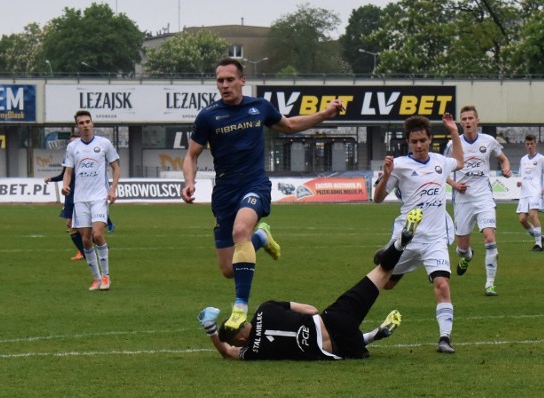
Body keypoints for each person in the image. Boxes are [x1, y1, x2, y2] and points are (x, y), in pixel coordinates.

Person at [181, 58, 345, 332]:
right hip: (224, 191)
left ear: (242, 81)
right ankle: (262, 237)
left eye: (230, 79)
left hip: (254, 184)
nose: (224, 85)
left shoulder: (259, 107)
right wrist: (189, 181)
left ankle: (240, 307)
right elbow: (191, 154)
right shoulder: (208, 116)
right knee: (229, 269)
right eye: (220, 81)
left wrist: (324, 114)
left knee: (240, 231)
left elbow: (290, 125)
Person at [197, 209, 423, 361]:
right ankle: (400, 244)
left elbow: (226, 351)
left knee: (352, 344)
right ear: (242, 321)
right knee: (382, 272)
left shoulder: (254, 351)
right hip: (333, 319)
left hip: (335, 349)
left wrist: (210, 329)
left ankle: (374, 335)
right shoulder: (266, 308)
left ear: (242, 340)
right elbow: (311, 310)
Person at [373, 113, 464, 354]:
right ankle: (386, 255)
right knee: (386, 284)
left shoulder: (440, 161)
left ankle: (445, 338)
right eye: (414, 142)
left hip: (435, 239)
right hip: (407, 238)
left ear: (430, 139)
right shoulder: (400, 165)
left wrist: (454, 131)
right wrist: (385, 174)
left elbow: (460, 162)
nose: (419, 145)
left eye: (423, 140)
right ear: (408, 143)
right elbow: (378, 198)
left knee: (442, 284)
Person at [444, 105, 510, 297]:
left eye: (470, 118)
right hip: (463, 199)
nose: (467, 122)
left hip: (484, 197)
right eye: (463, 119)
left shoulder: (488, 141)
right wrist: (454, 185)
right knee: (461, 249)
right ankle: (467, 256)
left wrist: (505, 168)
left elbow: (503, 159)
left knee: (490, 237)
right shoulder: (453, 145)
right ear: (460, 123)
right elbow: (442, 172)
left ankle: (490, 284)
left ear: (477, 121)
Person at [61, 110, 121, 290]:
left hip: (99, 197)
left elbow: (116, 168)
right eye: (81, 123)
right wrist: (65, 185)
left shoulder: (104, 144)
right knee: (86, 240)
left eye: (88, 122)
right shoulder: (73, 147)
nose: (85, 125)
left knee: (97, 235)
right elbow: (68, 171)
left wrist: (112, 189)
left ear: (92, 124)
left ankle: (106, 277)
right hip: (80, 199)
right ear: (78, 127)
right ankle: (96, 278)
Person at [45, 134, 115, 261]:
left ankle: (96, 247)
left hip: (82, 194)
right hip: (70, 194)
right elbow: (64, 174)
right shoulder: (71, 156)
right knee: (70, 225)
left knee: (83, 227)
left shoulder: (89, 156)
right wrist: (53, 180)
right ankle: (85, 251)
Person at [516, 134, 544, 251]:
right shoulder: (523, 159)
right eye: (527, 144)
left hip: (536, 191)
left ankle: (538, 244)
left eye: (531, 144)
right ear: (525, 145)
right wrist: (519, 182)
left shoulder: (540, 158)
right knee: (522, 219)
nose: (529, 146)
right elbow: (521, 175)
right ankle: (539, 237)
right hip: (524, 192)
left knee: (533, 215)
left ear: (535, 144)